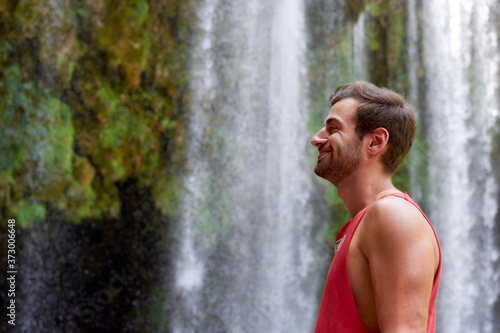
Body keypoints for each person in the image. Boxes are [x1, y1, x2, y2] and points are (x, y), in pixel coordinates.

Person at [311, 81, 441, 333]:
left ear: (375, 141)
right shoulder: (365, 222)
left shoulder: (394, 215)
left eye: (333, 128)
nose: (316, 138)